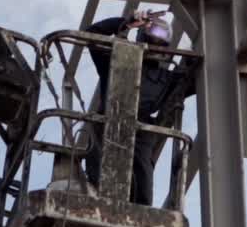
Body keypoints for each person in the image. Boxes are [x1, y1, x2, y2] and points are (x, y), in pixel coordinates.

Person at [83, 11, 195, 205]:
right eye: (153, 39)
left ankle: (139, 207)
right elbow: (92, 34)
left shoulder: (166, 79)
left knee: (142, 178)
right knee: (98, 173)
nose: (156, 46)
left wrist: (195, 51)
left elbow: (192, 81)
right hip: (107, 121)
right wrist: (126, 22)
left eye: (161, 42)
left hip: (141, 129)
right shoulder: (114, 60)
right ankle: (94, 198)